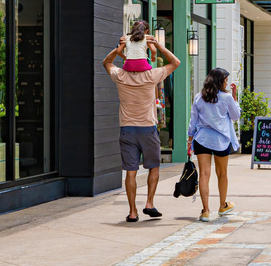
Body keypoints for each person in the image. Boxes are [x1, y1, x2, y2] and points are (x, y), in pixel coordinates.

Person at [103, 35, 180, 223]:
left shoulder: (120, 76)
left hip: (127, 130)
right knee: (154, 166)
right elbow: (175, 62)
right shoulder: (151, 75)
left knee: (131, 171)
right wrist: (158, 45)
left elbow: (106, 62)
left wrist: (119, 48)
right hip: (147, 129)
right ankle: (149, 203)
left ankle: (132, 212)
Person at [188, 68, 241, 222]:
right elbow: (235, 116)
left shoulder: (199, 97)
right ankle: (222, 205)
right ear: (220, 81)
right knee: (222, 173)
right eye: (225, 80)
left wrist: (190, 140)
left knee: (204, 174)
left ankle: (205, 211)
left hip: (202, 139)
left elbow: (193, 121)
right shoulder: (226, 98)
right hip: (221, 140)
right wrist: (234, 97)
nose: (226, 82)